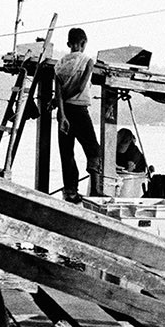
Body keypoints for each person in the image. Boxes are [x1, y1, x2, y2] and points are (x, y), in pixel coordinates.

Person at [55, 27, 99, 202]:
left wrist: (62, 114)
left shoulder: (59, 64)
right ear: (84, 43)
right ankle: (95, 191)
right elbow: (81, 87)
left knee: (67, 153)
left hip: (63, 111)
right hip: (80, 110)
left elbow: (57, 93)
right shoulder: (88, 61)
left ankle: (70, 192)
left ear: (68, 44)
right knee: (94, 150)